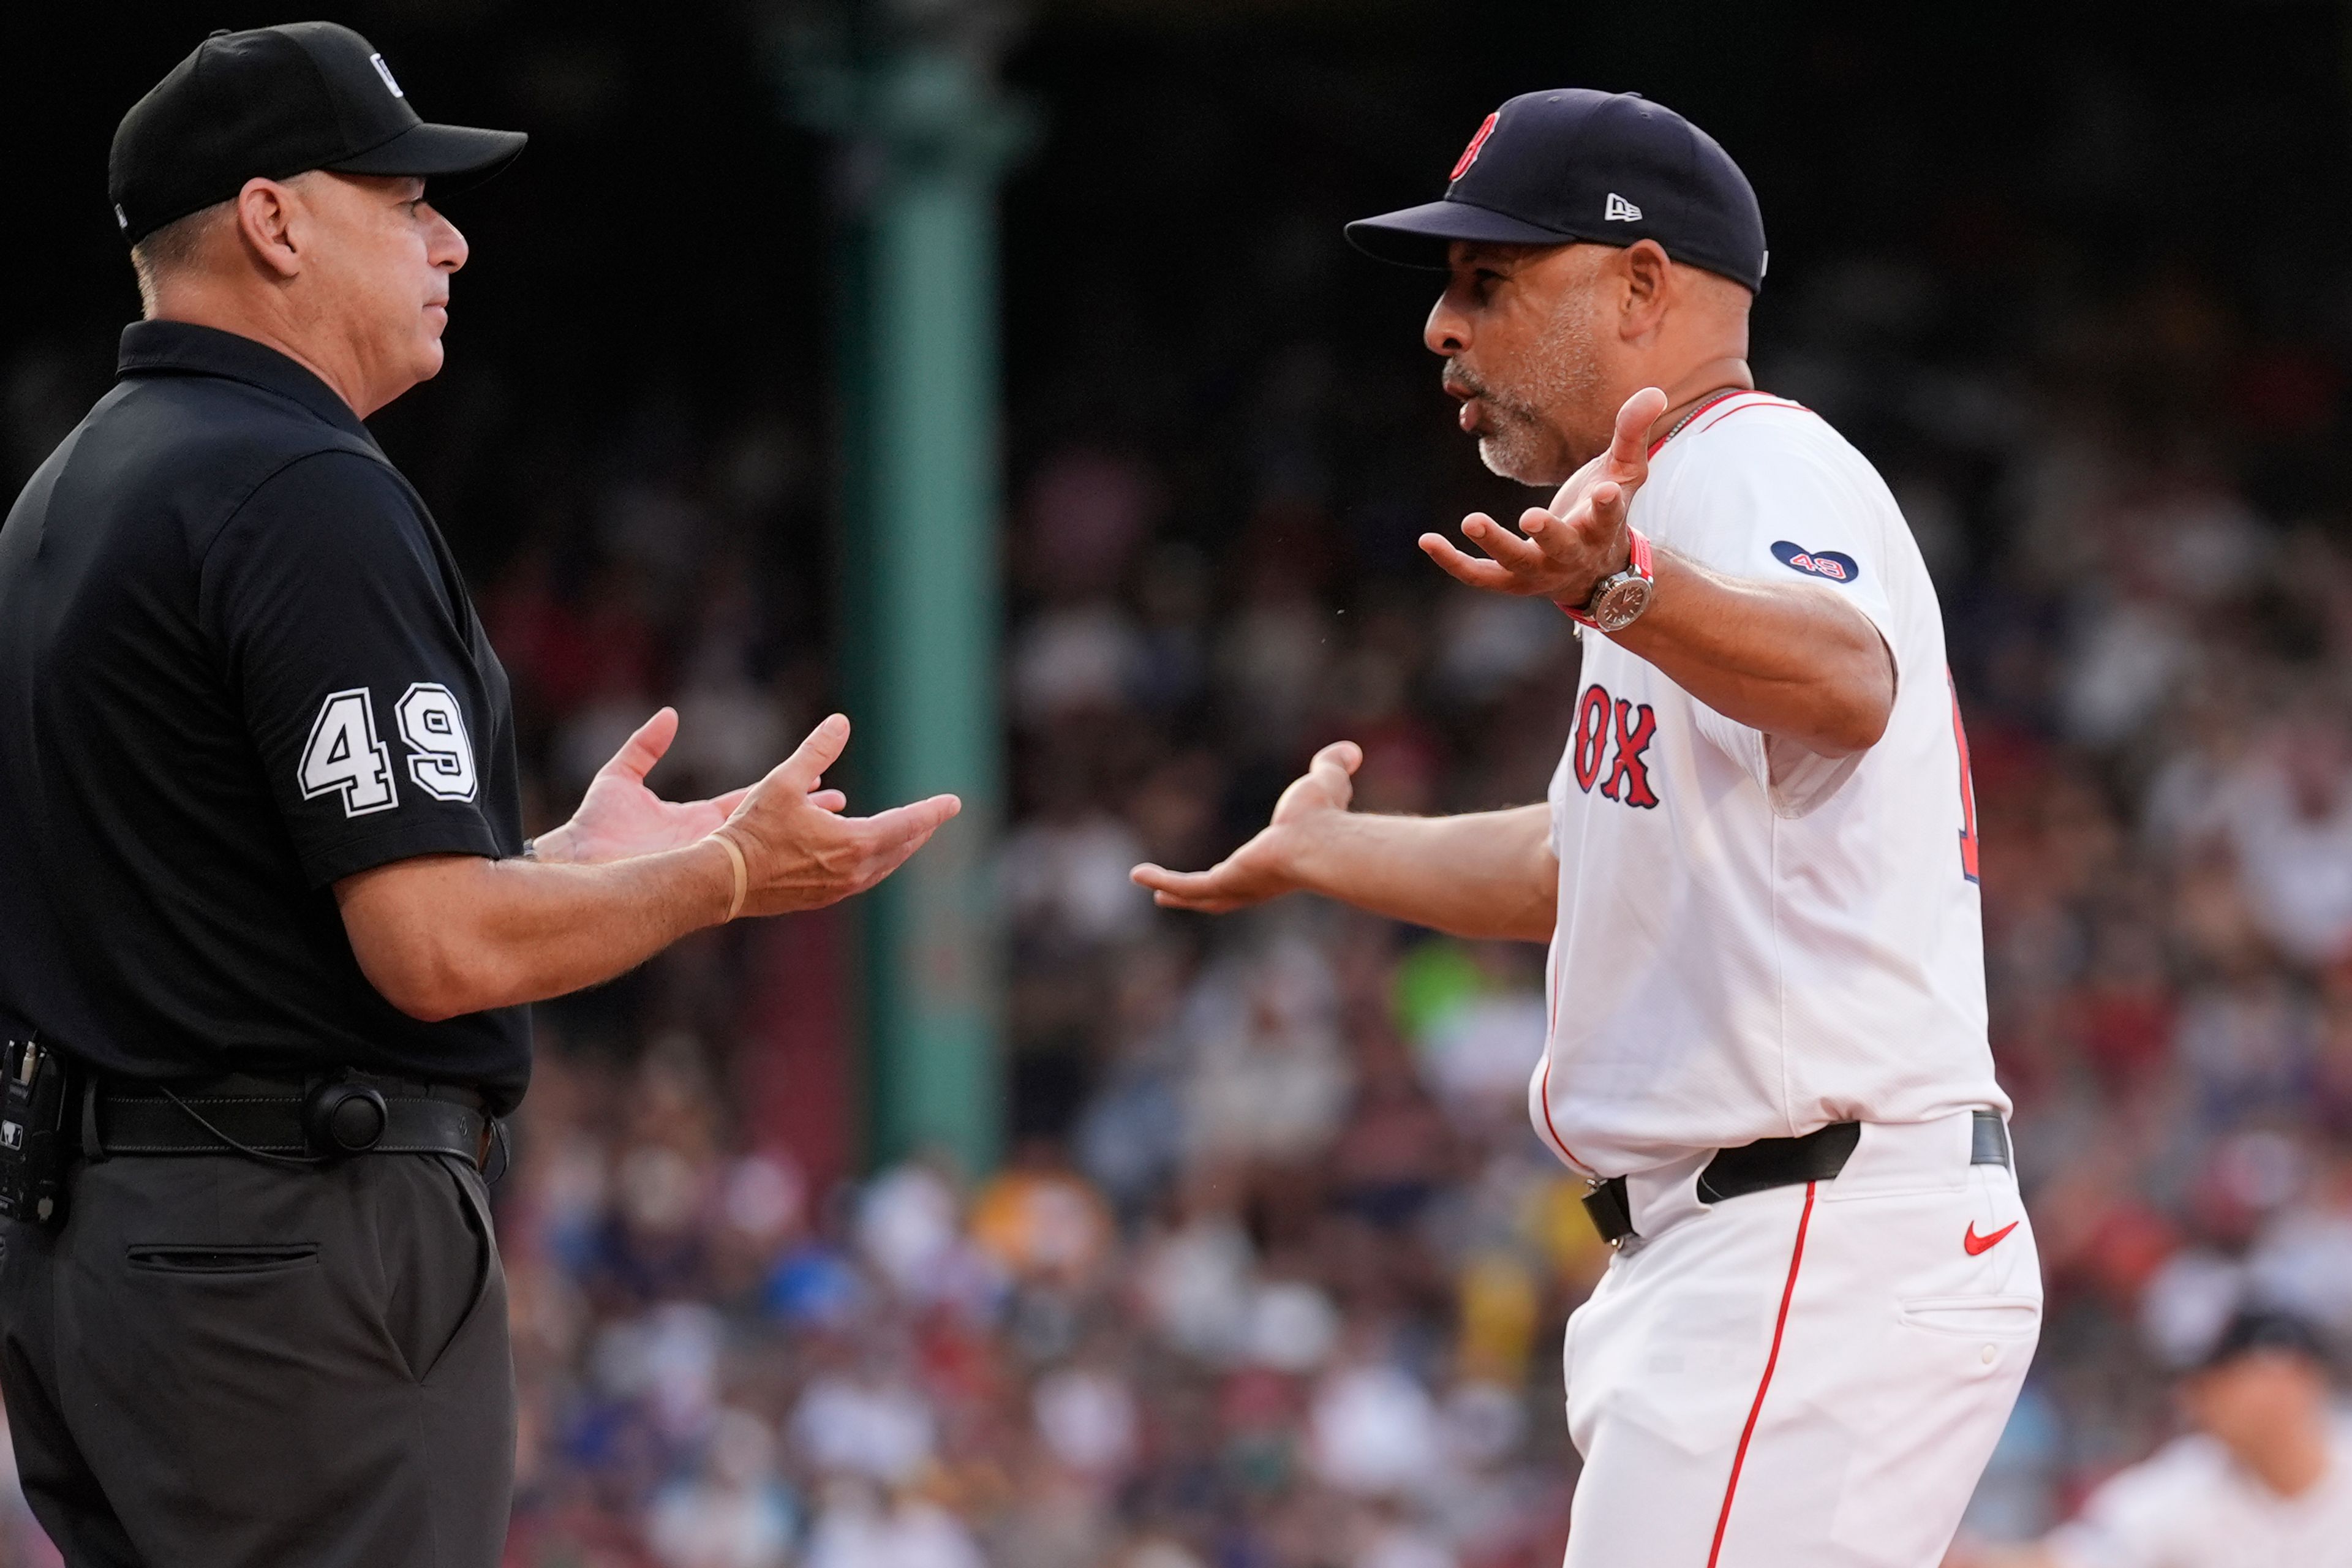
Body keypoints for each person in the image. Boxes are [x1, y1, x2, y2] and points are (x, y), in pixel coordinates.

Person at [0, 23, 957, 1568]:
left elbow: (253, 895)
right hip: (283, 1253)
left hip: (100, 1250)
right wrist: (725, 880)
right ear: (274, 219)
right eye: (403, 201)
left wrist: (558, 861)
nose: (450, 237)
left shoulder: (77, 488)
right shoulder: (297, 489)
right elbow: (433, 951)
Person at [1133, 88, 2036, 1566]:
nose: (1442, 326)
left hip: (1807, 1227)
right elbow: (1578, 863)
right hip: (1760, 1242)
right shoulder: (1661, 515)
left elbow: (1849, 679)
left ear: (1638, 284)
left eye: (1487, 281)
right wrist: (1327, 851)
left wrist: (1625, 589)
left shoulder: (1749, 465)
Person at [1944, 1309, 2352, 1568]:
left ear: (2293, 1382)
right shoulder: (2192, 1481)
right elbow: (2075, 1559)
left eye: (2216, 1383)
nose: (2195, 1400)